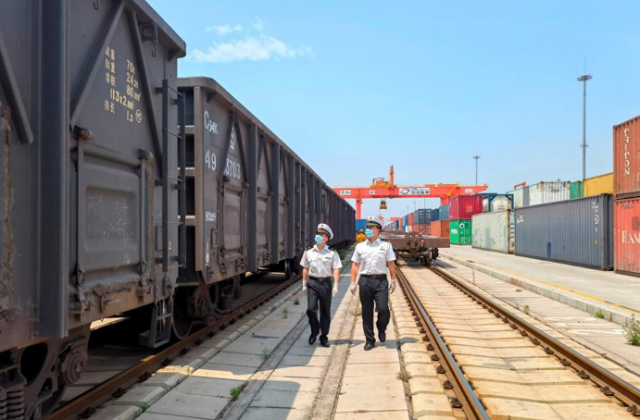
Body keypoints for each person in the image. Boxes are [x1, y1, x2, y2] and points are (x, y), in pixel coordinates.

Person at [350, 216, 397, 351]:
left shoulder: (386, 246)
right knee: (366, 311)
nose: (369, 230)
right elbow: (355, 265)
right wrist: (352, 282)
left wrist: (393, 280)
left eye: (372, 228)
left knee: (383, 309)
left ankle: (381, 327)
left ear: (378, 230)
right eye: (368, 228)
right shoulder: (360, 246)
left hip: (381, 280)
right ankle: (370, 340)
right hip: (365, 280)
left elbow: (391, 264)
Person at [300, 223, 342, 347]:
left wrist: (335, 286)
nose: (318, 236)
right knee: (311, 309)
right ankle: (314, 330)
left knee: (325, 311)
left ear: (326, 238)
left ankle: (324, 336)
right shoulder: (308, 251)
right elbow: (305, 268)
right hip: (313, 283)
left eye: (321, 235)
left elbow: (336, 269)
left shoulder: (332, 253)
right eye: (317, 234)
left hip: (325, 284)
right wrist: (304, 284)